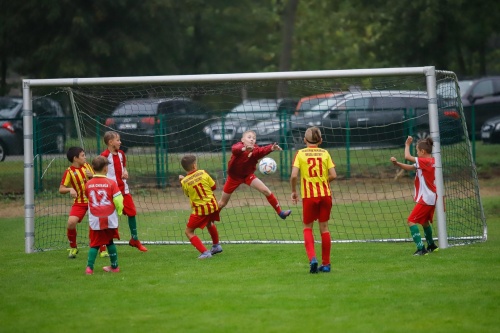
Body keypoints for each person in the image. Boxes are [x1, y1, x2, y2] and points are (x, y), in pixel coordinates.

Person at [290, 127, 337, 273]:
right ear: (320, 141)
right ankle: (326, 264)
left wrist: (293, 191)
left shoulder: (300, 153)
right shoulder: (325, 153)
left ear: (304, 140)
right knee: (324, 228)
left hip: (309, 197)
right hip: (325, 195)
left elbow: (293, 176)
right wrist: (322, 181)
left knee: (307, 227)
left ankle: (313, 259)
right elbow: (334, 175)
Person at [218, 130, 291, 219]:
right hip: (234, 178)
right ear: (243, 140)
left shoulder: (254, 150)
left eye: (254, 138)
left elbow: (261, 150)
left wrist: (271, 148)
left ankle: (280, 213)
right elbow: (234, 150)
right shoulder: (239, 147)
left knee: (266, 191)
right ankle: (212, 217)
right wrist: (244, 149)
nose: (252, 139)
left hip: (248, 176)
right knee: (222, 203)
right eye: (249, 137)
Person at [390, 136, 439, 256]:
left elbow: (407, 157)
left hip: (427, 198)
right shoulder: (430, 161)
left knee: (411, 221)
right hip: (431, 197)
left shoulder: (425, 161)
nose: (416, 153)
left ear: (423, 152)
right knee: (424, 222)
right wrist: (397, 164)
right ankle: (431, 245)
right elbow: (411, 167)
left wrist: (407, 144)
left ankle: (421, 249)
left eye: (417, 150)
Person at [101, 131, 148, 252]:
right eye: (118, 140)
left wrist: (125, 172)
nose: (120, 142)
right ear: (110, 142)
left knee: (132, 212)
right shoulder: (104, 156)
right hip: (110, 192)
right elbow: (99, 172)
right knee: (107, 217)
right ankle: (103, 243)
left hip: (124, 190)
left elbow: (124, 167)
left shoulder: (121, 154)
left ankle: (135, 239)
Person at [59, 147, 108, 258]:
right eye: (82, 155)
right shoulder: (69, 172)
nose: (85, 157)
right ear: (75, 158)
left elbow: (100, 178)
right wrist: (70, 189)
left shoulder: (88, 167)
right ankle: (73, 248)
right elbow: (61, 189)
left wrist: (92, 176)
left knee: (99, 223)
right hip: (79, 202)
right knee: (71, 222)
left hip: (93, 201)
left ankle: (103, 250)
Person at [85, 156, 124, 275]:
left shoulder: (88, 184)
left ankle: (89, 268)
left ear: (93, 168)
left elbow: (89, 198)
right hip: (109, 217)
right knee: (109, 241)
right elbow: (118, 200)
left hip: (95, 218)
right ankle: (115, 267)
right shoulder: (111, 183)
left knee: (95, 243)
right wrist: (120, 210)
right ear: (106, 169)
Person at [179, 155, 223, 259]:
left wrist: (182, 181)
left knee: (188, 232)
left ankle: (205, 252)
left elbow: (188, 194)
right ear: (194, 165)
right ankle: (216, 246)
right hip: (212, 205)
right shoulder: (203, 173)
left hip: (200, 210)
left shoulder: (184, 181)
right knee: (209, 223)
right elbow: (214, 187)